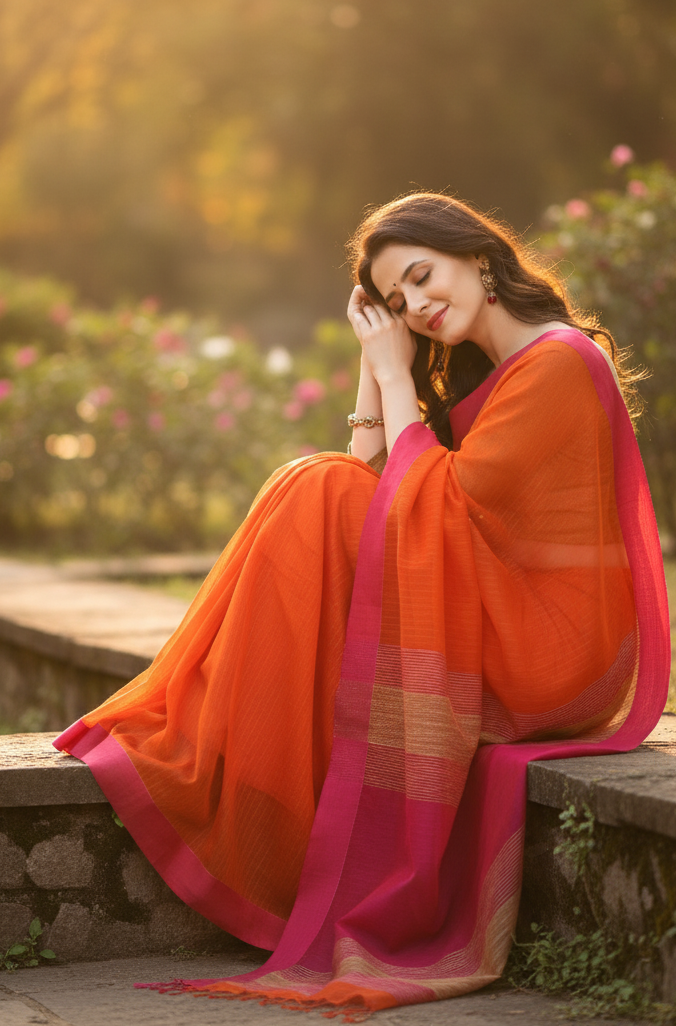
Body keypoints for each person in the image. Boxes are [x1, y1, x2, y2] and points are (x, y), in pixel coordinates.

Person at [54, 192, 670, 1017]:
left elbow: (429, 505)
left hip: (550, 654)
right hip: (502, 614)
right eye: (396, 301)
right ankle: (206, 726)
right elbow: (377, 480)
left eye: (422, 279)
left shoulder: (557, 360)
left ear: (479, 258)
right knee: (318, 485)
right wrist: (373, 367)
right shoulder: (490, 365)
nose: (416, 306)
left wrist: (391, 373)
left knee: (316, 489)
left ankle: (206, 732)